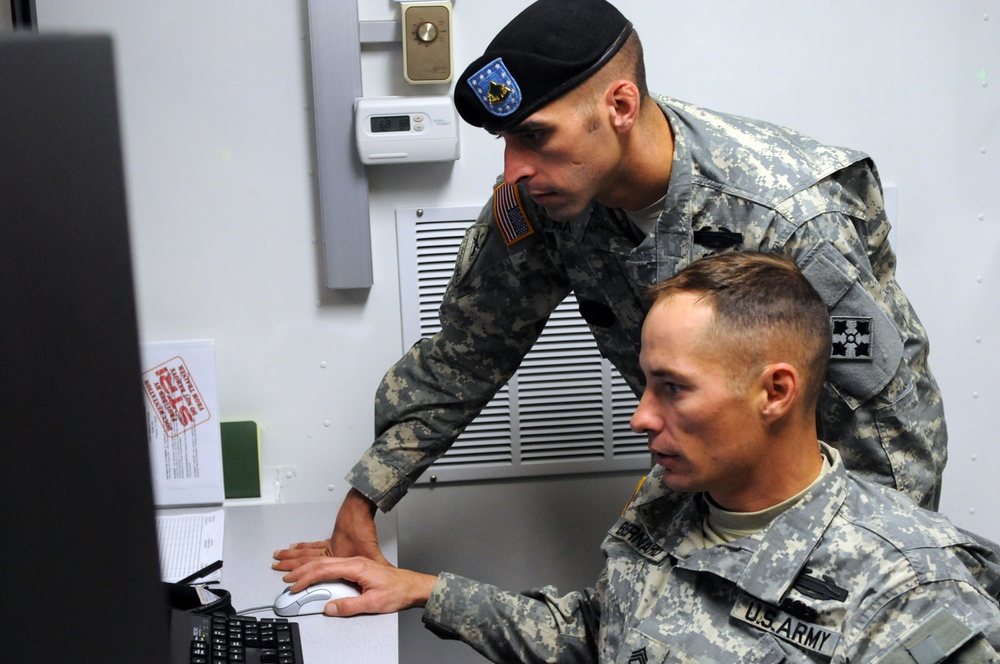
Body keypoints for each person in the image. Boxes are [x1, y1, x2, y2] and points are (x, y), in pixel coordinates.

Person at [273, 0, 947, 570]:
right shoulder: (543, 202)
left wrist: (874, 585)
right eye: (507, 142)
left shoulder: (789, 216)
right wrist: (366, 497)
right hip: (699, 473)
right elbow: (466, 353)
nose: (515, 171)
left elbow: (889, 423)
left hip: (821, 497)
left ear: (620, 105)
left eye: (536, 136)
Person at [279, 252, 1000, 663]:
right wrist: (423, 590)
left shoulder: (910, 590)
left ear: (775, 392)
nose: (640, 416)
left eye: (673, 389)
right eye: (646, 382)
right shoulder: (678, 500)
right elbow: (605, 636)